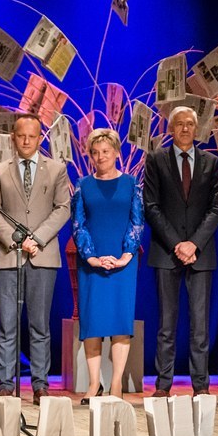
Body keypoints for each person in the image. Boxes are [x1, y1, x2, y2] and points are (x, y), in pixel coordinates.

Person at [0, 114, 71, 405]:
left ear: (40, 138)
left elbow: (63, 208)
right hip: (8, 255)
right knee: (7, 326)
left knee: (40, 326)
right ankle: (5, 385)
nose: (26, 141)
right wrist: (18, 240)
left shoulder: (57, 169)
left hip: (42, 256)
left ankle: (40, 384)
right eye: (21, 135)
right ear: (13, 136)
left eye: (32, 136)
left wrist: (37, 239)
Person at [143, 106, 218, 398]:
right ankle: (163, 384)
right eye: (180, 124)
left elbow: (216, 208)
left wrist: (194, 244)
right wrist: (177, 243)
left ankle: (201, 385)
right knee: (166, 324)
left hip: (201, 254)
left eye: (190, 123)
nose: (186, 128)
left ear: (197, 128)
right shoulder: (156, 159)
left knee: (200, 326)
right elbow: (151, 206)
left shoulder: (211, 162)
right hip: (167, 253)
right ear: (171, 129)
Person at [72, 129, 143, 404]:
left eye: (105, 151)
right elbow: (78, 224)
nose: (100, 157)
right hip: (92, 263)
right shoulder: (83, 185)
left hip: (124, 264)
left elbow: (137, 222)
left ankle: (115, 385)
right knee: (93, 323)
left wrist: (125, 256)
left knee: (120, 323)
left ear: (116, 153)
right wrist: (91, 257)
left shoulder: (131, 184)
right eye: (95, 152)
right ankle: (94, 385)